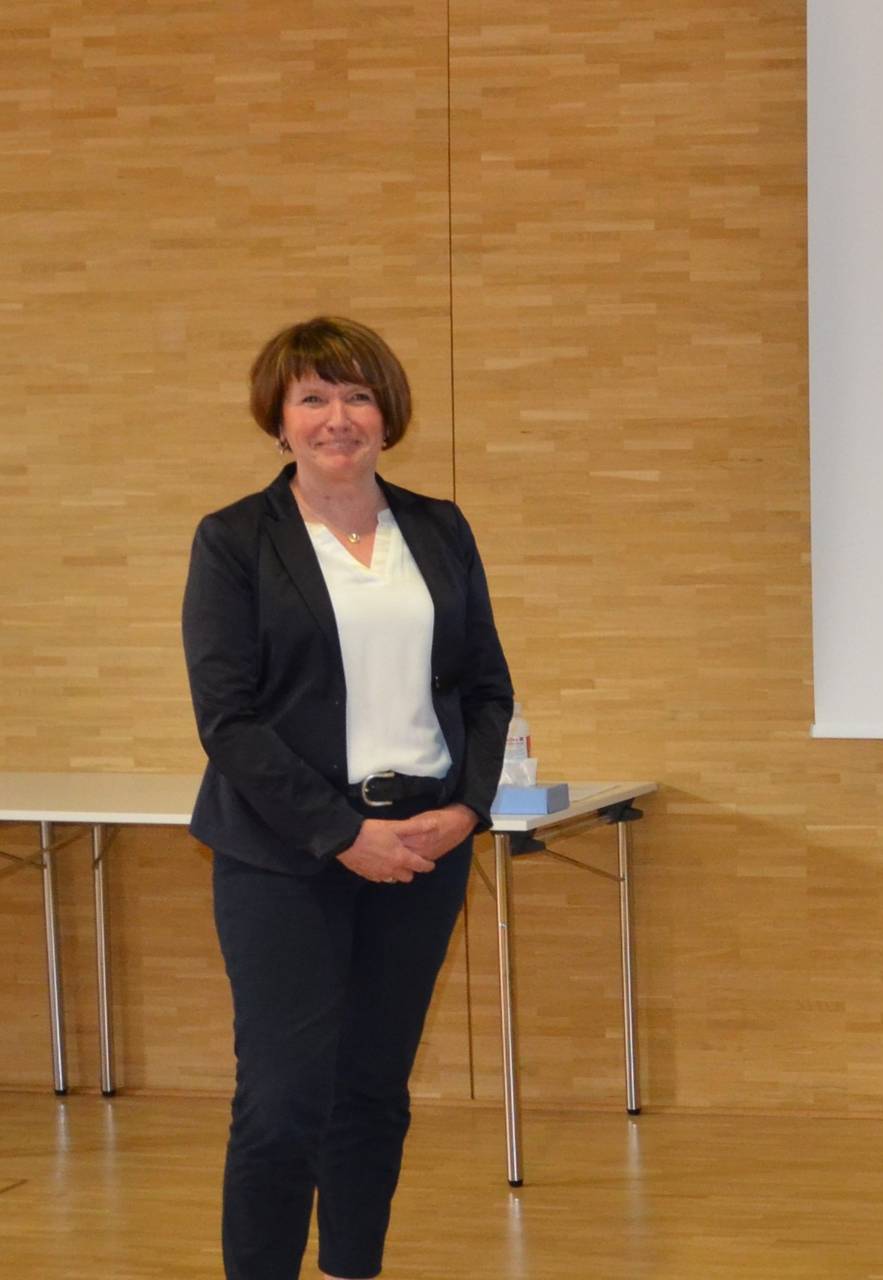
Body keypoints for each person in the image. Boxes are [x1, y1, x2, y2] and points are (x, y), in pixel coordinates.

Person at [182, 316, 516, 1280]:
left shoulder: (440, 528)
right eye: (314, 399)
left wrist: (467, 809)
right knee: (284, 1098)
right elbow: (229, 719)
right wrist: (341, 834)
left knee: (373, 1091)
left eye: (358, 396)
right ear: (278, 420)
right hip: (284, 853)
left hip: (424, 842)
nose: (339, 418)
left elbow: (488, 688)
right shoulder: (235, 541)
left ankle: (352, 1269)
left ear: (388, 413)